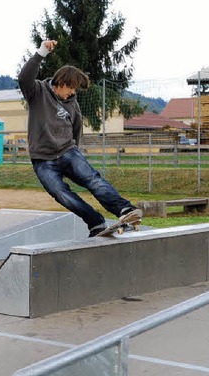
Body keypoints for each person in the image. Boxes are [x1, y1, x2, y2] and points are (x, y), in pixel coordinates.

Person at [18, 39, 142, 237]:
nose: (73, 93)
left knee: (92, 179)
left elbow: (76, 131)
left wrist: (73, 152)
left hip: (68, 152)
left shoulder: (72, 105)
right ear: (62, 82)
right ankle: (95, 223)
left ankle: (125, 210)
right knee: (61, 194)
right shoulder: (37, 92)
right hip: (43, 160)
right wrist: (41, 53)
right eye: (72, 88)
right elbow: (24, 78)